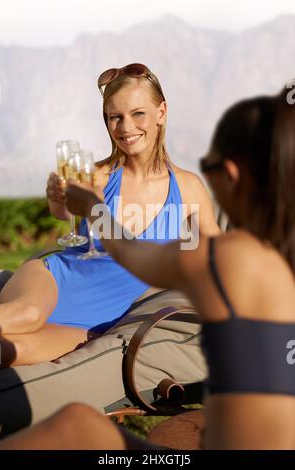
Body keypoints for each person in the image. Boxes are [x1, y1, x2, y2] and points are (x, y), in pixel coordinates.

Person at [61, 85, 295, 450]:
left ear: (230, 174)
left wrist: (92, 208)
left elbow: (134, 255)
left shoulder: (231, 258)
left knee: (76, 426)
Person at [0, 63, 218, 368]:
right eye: (115, 117)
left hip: (95, 322)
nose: (126, 128)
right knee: (27, 315)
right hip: (54, 280)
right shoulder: (98, 175)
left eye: (138, 113)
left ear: (161, 112)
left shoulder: (188, 189)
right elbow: (63, 214)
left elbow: (213, 255)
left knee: (7, 351)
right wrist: (56, 197)